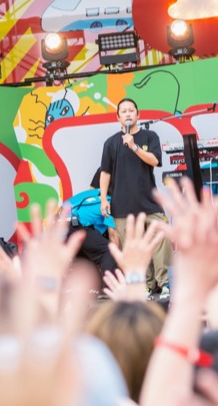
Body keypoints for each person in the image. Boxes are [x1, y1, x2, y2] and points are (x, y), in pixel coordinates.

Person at [98, 97, 171, 296]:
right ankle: (145, 284)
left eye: (131, 110)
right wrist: (103, 199)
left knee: (161, 238)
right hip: (123, 205)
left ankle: (164, 282)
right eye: (124, 111)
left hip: (149, 202)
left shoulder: (149, 137)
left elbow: (155, 161)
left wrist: (134, 146)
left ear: (138, 115)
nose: (128, 114)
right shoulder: (111, 143)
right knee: (133, 248)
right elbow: (105, 173)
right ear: (118, 117)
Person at [66, 168, 120, 278]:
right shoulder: (110, 202)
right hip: (76, 226)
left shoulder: (94, 194)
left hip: (62, 225)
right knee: (109, 251)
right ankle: (109, 286)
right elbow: (113, 235)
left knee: (86, 256)